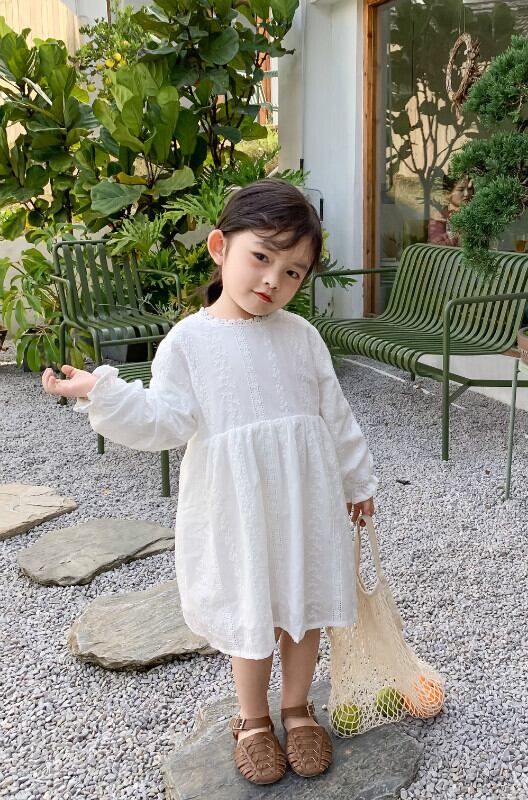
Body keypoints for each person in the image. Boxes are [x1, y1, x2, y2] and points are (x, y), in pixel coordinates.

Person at [42, 179, 378, 786]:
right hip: (239, 510)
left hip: (305, 503)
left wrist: (357, 481)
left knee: (304, 608)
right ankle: (252, 719)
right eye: (262, 257)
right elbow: (164, 419)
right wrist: (103, 391)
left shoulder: (301, 336)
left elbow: (335, 414)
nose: (273, 280)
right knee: (253, 610)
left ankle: (297, 709)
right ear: (220, 247)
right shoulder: (189, 342)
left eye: (293, 272)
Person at [427, 175, 474, 246]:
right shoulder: (440, 216)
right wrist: (459, 235)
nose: (467, 194)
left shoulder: (476, 212)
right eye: (460, 190)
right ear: (448, 193)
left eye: (470, 189)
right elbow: (436, 246)